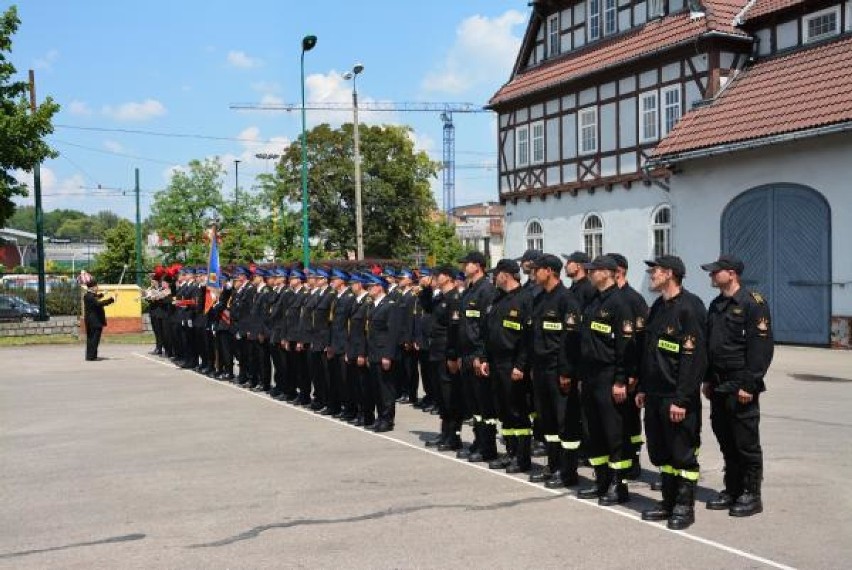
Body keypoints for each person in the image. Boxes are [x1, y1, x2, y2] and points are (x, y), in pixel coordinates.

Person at [636, 256, 707, 530]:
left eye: (656, 271)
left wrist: (682, 399)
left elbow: (694, 360)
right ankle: (667, 501)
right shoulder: (657, 307)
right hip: (654, 394)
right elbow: (649, 352)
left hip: (676, 396)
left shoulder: (691, 307)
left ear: (671, 274)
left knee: (683, 453)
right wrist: (643, 387)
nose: (651, 275)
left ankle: (684, 506)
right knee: (662, 453)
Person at [702, 255, 774, 517]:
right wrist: (708, 378)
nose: (711, 276)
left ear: (731, 274)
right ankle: (732, 489)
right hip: (719, 384)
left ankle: (752, 494)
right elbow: (711, 346)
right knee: (726, 439)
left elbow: (761, 348)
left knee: (746, 443)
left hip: (740, 384)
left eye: (715, 272)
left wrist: (750, 384)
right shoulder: (716, 305)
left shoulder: (753, 303)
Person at [576, 255, 636, 505]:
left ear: (609, 273)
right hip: (590, 375)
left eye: (595, 270)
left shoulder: (620, 303)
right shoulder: (593, 300)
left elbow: (626, 346)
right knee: (594, 431)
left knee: (614, 432)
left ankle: (618, 485)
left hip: (609, 375)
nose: (590, 273)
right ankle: (601, 480)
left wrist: (621, 380)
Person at [526, 254, 582, 486]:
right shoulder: (540, 299)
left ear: (549, 271)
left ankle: (568, 471)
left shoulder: (566, 300)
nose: (533, 273)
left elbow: (570, 341)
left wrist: (566, 372)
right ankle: (553, 464)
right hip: (540, 370)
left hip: (558, 371)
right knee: (547, 421)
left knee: (564, 422)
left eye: (537, 269)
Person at [480, 259, 534, 473]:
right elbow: (487, 332)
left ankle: (522, 458)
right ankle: (511, 453)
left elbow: (527, 338)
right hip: (496, 362)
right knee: (504, 411)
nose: (495, 277)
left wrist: (521, 365)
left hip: (513, 363)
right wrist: (484, 358)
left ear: (508, 275)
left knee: (517, 410)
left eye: (498, 273)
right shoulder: (497, 299)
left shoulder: (524, 299)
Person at [450, 251, 498, 461]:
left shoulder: (486, 290)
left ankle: (488, 447)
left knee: (484, 405)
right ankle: (478, 442)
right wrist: (461, 354)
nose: (463, 267)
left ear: (478, 266)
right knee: (474, 406)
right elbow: (464, 326)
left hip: (478, 355)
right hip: (466, 354)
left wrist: (481, 356)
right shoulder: (469, 290)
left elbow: (486, 328)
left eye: (467, 263)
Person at [608, 252, 650, 480]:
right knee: (619, 420)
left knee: (630, 419)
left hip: (631, 373)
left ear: (619, 272)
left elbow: (640, 341)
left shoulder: (633, 299)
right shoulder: (610, 298)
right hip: (617, 370)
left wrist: (634, 373)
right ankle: (622, 457)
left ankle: (633, 460)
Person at [420, 265, 463, 450]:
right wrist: (426, 289)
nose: (435, 277)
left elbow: (454, 330)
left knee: (450, 396)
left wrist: (453, 356)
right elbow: (427, 307)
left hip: (446, 352)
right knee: (440, 395)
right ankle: (445, 433)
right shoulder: (440, 297)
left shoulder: (454, 298)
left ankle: (454, 436)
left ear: (448, 277)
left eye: (438, 275)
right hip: (436, 351)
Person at [365, 274, 399, 432]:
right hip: (373, 353)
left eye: (371, 286)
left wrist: (388, 355)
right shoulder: (373, 305)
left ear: (379, 287)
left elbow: (392, 333)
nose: (368, 289)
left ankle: (388, 419)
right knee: (376, 388)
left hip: (383, 353)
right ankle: (380, 417)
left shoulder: (389, 305)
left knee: (386, 389)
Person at [83, 281, 116, 361]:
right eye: (96, 286)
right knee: (94, 339)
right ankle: (92, 356)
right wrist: (111, 300)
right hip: (95, 321)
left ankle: (90, 355)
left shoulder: (88, 295)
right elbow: (99, 303)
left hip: (91, 320)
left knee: (91, 338)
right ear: (92, 287)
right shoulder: (90, 297)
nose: (97, 288)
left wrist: (103, 294)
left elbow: (96, 297)